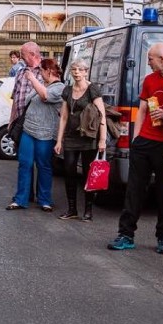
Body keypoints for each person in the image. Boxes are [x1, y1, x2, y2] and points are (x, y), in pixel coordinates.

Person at [108, 41, 163, 255]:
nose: (148, 62)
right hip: (144, 142)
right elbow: (142, 110)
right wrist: (136, 139)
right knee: (134, 190)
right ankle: (126, 235)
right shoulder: (150, 80)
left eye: (150, 58)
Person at [7, 57, 64, 211]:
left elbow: (45, 96)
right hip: (28, 130)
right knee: (24, 164)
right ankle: (20, 199)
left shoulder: (60, 88)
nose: (39, 74)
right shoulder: (41, 84)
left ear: (49, 71)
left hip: (45, 133)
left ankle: (44, 200)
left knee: (43, 165)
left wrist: (32, 78)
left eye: (41, 71)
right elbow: (26, 100)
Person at [55, 58, 107, 222]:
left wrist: (102, 140)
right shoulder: (67, 90)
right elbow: (63, 117)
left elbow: (101, 115)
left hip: (89, 137)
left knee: (87, 173)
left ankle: (88, 210)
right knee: (69, 171)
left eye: (80, 69)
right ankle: (72, 209)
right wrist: (59, 140)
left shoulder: (93, 90)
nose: (76, 72)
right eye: (74, 69)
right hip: (71, 137)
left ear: (86, 72)